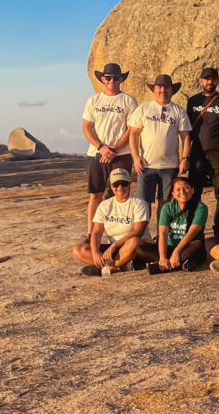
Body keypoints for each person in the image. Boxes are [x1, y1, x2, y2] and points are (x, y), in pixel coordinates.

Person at [82, 62, 138, 237]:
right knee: (95, 194)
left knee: (120, 194)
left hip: (122, 155)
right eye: (108, 77)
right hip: (96, 154)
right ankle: (91, 233)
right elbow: (86, 127)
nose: (112, 80)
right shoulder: (93, 100)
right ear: (102, 79)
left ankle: (118, 232)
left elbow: (131, 128)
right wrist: (101, 147)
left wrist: (113, 149)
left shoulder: (128, 100)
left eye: (116, 78)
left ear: (121, 79)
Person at [127, 74, 192, 219]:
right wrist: (136, 157)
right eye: (159, 87)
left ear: (172, 90)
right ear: (154, 90)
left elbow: (186, 137)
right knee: (144, 203)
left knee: (166, 203)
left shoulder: (179, 111)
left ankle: (161, 236)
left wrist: (185, 159)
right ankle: (144, 237)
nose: (163, 90)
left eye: (167, 87)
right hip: (146, 165)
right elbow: (133, 134)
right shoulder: (143, 109)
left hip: (169, 165)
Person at [72, 168, 154, 276]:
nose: (120, 187)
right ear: (111, 186)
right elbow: (96, 232)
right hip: (114, 249)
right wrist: (96, 253)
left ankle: (110, 267)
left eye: (124, 183)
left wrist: (115, 245)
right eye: (116, 184)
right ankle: (121, 264)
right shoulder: (105, 205)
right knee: (78, 250)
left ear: (129, 184)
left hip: (136, 247)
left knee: (134, 241)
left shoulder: (139, 203)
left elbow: (138, 231)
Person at [186, 67, 219, 237]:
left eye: (213, 79)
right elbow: (187, 128)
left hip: (218, 152)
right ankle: (194, 229)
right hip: (197, 152)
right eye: (206, 79)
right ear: (200, 81)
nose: (209, 82)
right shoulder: (193, 101)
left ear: (218, 81)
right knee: (194, 193)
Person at [149, 175, 207, 274]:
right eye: (178, 190)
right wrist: (163, 257)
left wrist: (176, 252)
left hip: (188, 246)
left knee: (198, 245)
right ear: (173, 194)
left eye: (186, 188)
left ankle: (167, 265)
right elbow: (162, 233)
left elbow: (191, 233)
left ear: (192, 190)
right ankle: (174, 263)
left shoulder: (201, 207)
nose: (182, 192)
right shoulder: (167, 207)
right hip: (169, 247)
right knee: (140, 249)